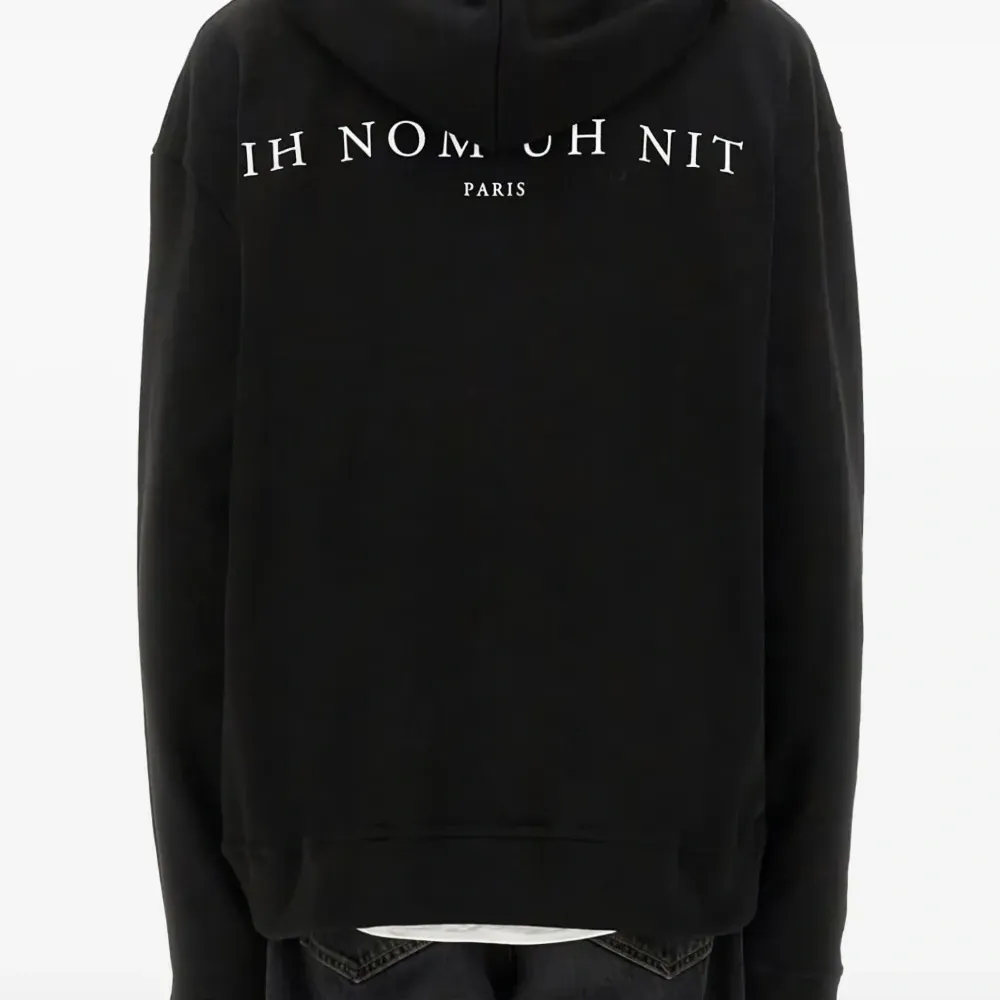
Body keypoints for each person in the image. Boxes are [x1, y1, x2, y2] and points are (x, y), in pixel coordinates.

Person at [136, 0, 864, 997]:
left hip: (344, 881)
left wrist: (211, 962)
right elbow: (812, 531)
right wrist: (795, 959)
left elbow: (187, 534)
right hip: (659, 886)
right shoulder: (753, 65)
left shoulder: (249, 66)